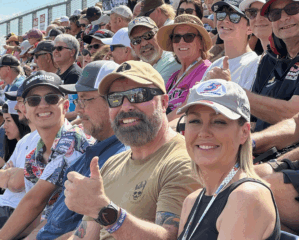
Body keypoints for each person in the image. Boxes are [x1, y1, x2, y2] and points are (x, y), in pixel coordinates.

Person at [64, 61, 200, 240]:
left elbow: (169, 237)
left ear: (164, 102)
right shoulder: (112, 164)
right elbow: (85, 236)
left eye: (139, 95)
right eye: (115, 99)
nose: (126, 106)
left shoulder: (183, 161)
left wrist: (105, 211)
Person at [27, 61, 129, 239]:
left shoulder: (120, 159)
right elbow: (50, 223)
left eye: (84, 99)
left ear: (113, 101)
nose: (78, 109)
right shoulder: (88, 156)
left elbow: (83, 234)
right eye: (77, 100)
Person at [176, 79, 280, 240]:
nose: (203, 132)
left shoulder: (247, 196)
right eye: (195, 121)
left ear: (244, 133)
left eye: (218, 122)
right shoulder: (191, 201)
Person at [0, 71, 91, 240]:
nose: (42, 105)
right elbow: (37, 216)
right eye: (34, 100)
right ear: (25, 111)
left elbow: (34, 202)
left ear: (64, 106)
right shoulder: (33, 158)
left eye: (51, 98)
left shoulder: (73, 139)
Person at [247, 0, 299, 132]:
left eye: (292, 9)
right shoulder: (268, 60)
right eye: (275, 14)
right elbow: (252, 121)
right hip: (259, 148)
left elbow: (293, 115)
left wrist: (236, 92)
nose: (284, 18)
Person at [156, 14, 212, 122]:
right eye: (176, 38)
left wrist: (160, 126)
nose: (181, 42)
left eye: (188, 37)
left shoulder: (206, 70)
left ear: (201, 43)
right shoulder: (174, 76)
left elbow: (189, 107)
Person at [0, 87, 40, 228]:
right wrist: (12, 173)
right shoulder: (25, 140)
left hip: (14, 212)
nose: (16, 106)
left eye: (20, 102)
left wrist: (10, 174)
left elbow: (17, 183)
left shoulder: (45, 138)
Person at [202, 0, 260, 91]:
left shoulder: (256, 64)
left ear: (250, 29)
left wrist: (224, 84)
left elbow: (246, 103)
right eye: (221, 15)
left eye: (234, 17)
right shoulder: (215, 64)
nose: (225, 20)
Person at [128, 16, 181, 84]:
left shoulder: (175, 61)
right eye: (136, 40)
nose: (144, 44)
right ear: (132, 46)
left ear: (158, 35)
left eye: (148, 35)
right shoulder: (136, 71)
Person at [53, 34, 82, 121]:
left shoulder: (75, 74)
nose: (55, 51)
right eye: (53, 49)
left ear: (72, 52)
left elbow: (73, 111)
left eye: (59, 48)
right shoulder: (58, 73)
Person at [2, 100, 30, 164]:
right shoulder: (14, 147)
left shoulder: (32, 144)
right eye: (4, 121)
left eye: (8, 120)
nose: (4, 126)